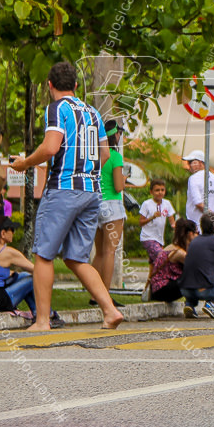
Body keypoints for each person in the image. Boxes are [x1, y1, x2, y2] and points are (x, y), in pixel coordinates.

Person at [10, 61, 123, 331]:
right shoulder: (94, 112)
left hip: (63, 188)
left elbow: (50, 147)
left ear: (49, 86)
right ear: (75, 85)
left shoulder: (57, 109)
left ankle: (41, 321)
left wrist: (25, 163)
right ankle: (109, 311)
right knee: (75, 259)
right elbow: (105, 154)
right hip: (92, 193)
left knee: (43, 255)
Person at [0, 215, 65, 328]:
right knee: (32, 279)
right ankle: (47, 315)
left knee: (24, 276)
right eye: (12, 229)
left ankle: (38, 314)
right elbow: (37, 270)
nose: (14, 233)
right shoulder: (7, 252)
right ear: (3, 233)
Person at [91, 119, 126, 302]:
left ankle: (93, 294)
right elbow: (118, 187)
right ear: (116, 135)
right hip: (112, 206)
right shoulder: (114, 156)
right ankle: (105, 296)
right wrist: (124, 179)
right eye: (120, 132)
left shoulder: (95, 154)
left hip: (95, 204)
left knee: (99, 252)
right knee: (110, 252)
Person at [144, 218, 193, 303]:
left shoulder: (171, 246)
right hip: (161, 290)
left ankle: (191, 304)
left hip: (156, 290)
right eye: (197, 232)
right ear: (190, 234)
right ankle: (191, 304)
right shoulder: (179, 253)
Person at [183, 149, 214, 228]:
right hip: (213, 228)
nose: (189, 166)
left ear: (199, 163)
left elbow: (198, 203)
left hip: (197, 225)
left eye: (190, 163)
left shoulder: (193, 178)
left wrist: (213, 221)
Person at [139, 179, 176, 257]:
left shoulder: (167, 203)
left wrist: (177, 228)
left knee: (154, 263)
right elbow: (141, 222)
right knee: (161, 256)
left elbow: (172, 221)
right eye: (157, 190)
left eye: (162, 190)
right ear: (151, 192)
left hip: (160, 239)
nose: (160, 192)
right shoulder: (146, 204)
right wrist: (152, 217)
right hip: (148, 237)